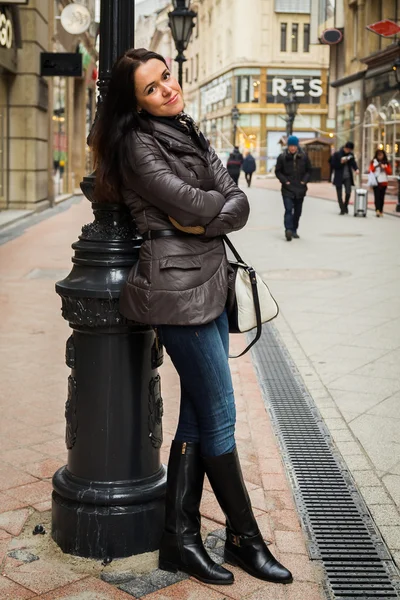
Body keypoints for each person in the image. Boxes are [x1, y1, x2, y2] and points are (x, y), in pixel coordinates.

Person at [90, 48, 292, 587]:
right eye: (152, 87)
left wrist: (209, 216)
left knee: (201, 414)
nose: (167, 89)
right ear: (133, 103)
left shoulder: (185, 126)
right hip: (175, 287)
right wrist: (210, 213)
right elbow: (189, 202)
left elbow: (233, 199)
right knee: (220, 411)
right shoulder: (136, 142)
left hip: (211, 276)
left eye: (167, 77)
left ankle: (179, 538)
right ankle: (246, 539)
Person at [275, 135, 312, 241]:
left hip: (300, 188)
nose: (292, 148)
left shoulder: (304, 156)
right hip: (287, 188)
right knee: (288, 209)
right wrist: (285, 181)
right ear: (288, 146)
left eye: (294, 146)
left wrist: (304, 181)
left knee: (298, 211)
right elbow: (278, 171)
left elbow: (309, 170)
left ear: (297, 146)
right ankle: (288, 230)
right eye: (290, 146)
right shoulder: (282, 157)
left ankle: (294, 230)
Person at [331, 141, 359, 215]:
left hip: (348, 176)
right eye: (347, 149)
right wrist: (341, 162)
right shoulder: (337, 154)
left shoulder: (351, 155)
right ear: (345, 148)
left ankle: (345, 205)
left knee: (348, 192)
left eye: (350, 150)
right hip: (339, 176)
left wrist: (356, 169)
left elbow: (353, 163)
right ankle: (342, 209)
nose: (348, 151)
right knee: (339, 194)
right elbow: (333, 165)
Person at [369, 149, 392, 217]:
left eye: (381, 155)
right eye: (378, 155)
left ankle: (381, 210)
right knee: (377, 196)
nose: (380, 156)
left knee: (382, 197)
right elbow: (371, 170)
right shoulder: (374, 162)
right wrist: (376, 166)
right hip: (376, 182)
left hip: (384, 182)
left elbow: (389, 172)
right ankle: (377, 210)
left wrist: (385, 167)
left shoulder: (386, 163)